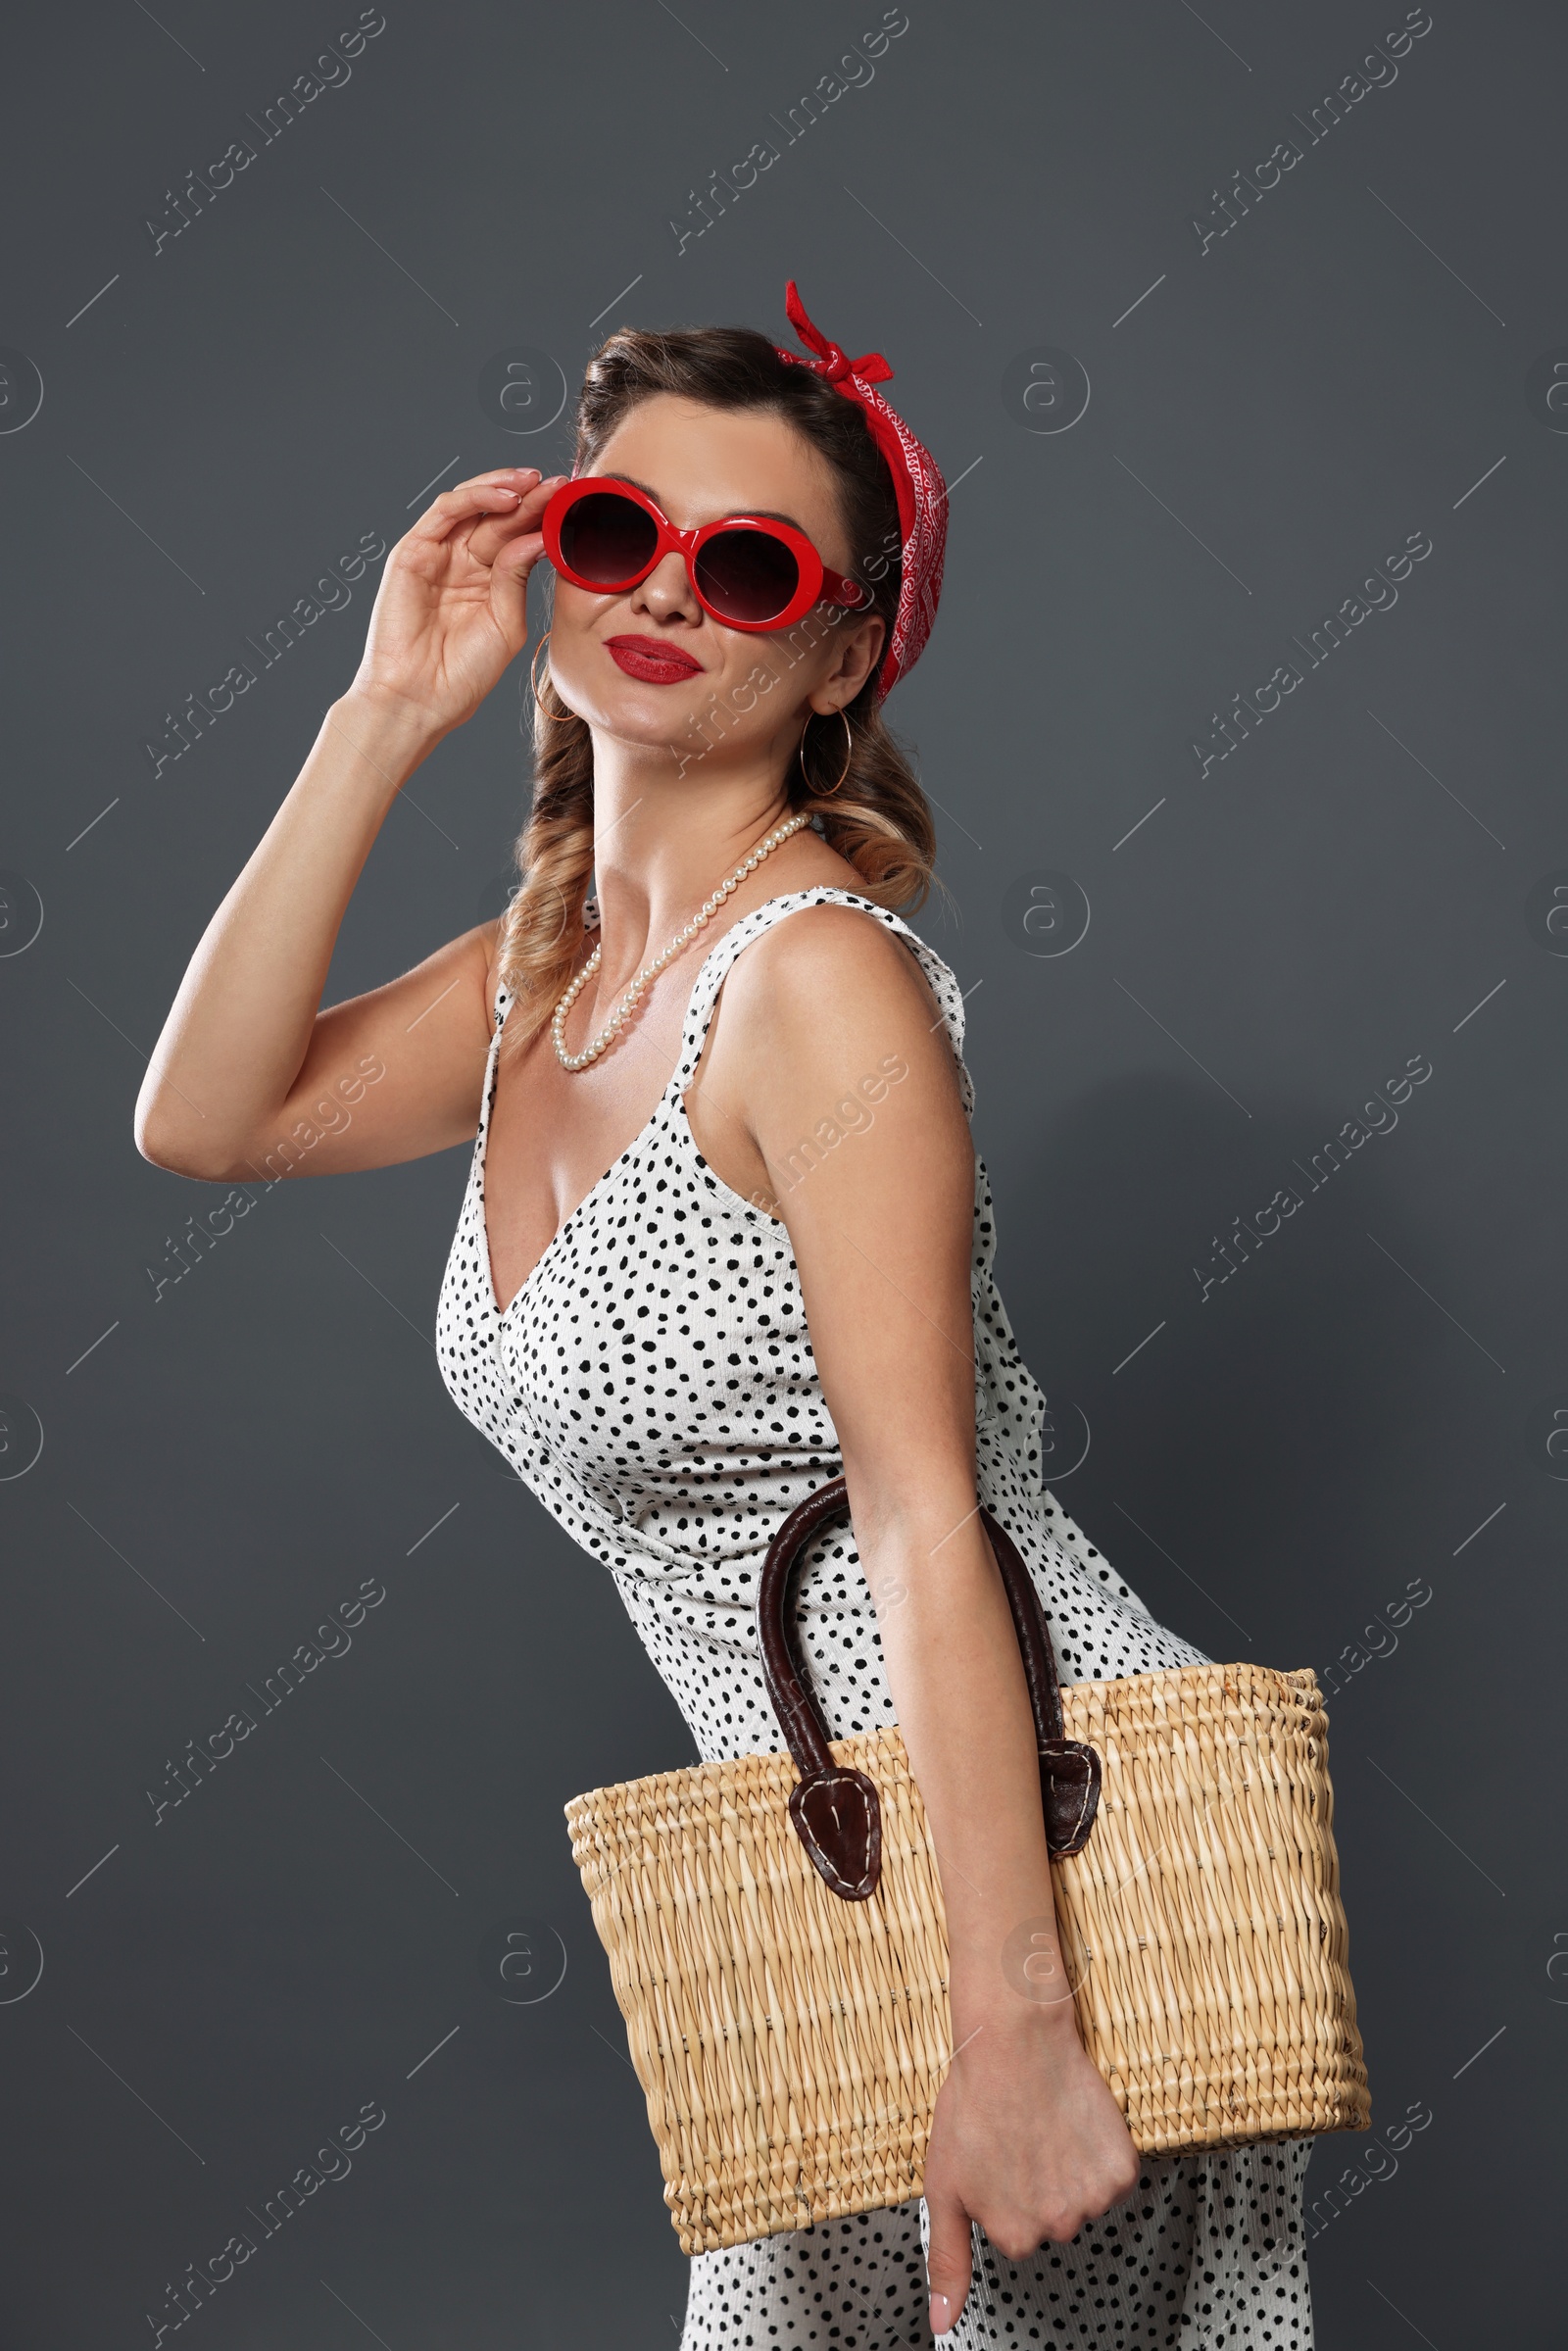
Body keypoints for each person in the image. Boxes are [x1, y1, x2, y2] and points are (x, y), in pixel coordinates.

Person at [135, 283, 1313, 2348]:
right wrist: (381, 714)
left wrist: (1014, 2027)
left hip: (1019, 1856)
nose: (663, 592)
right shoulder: (549, 972)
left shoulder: (815, 982)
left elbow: (922, 1515)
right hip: (819, 1877)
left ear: (843, 650)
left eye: (745, 564)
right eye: (616, 533)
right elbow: (208, 1119)